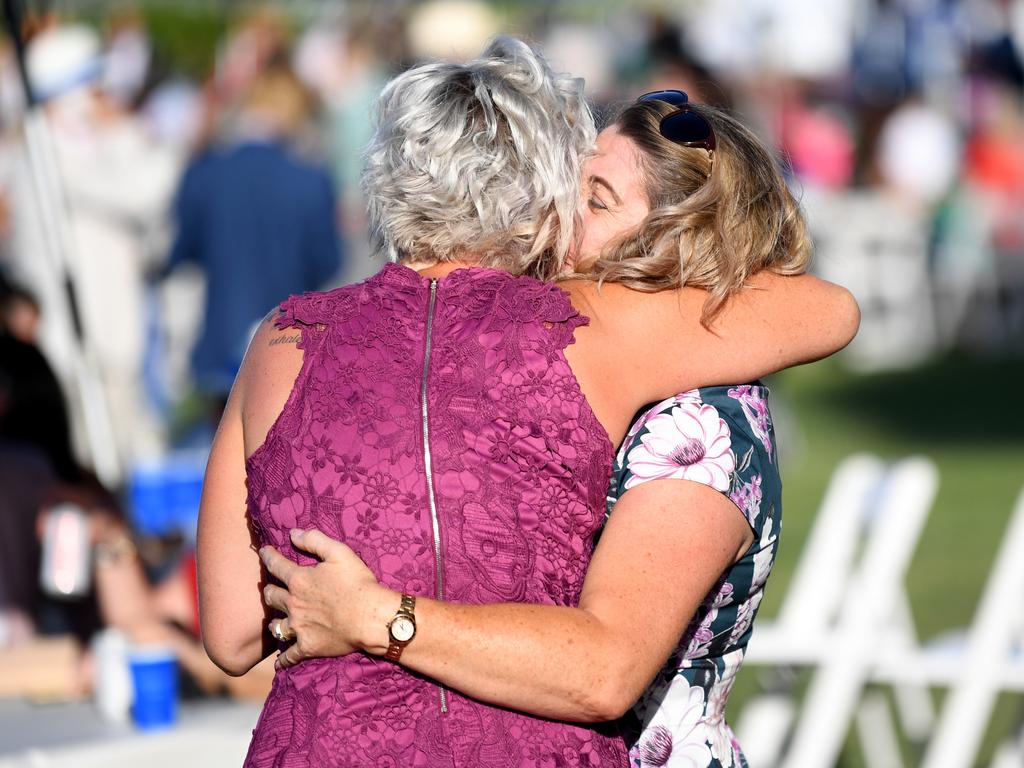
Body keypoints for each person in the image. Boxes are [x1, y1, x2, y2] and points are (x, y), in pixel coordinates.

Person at [198, 38, 857, 767]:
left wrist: (368, 614)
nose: (569, 219)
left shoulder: (282, 338)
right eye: (570, 191)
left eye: (595, 200)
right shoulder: (590, 332)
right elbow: (827, 312)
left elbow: (232, 632)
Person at [166, 63, 343, 414]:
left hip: (219, 340)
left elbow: (182, 251)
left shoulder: (207, 171)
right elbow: (327, 261)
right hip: (289, 344)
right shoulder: (310, 178)